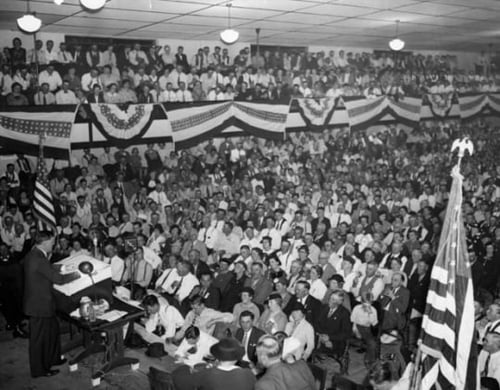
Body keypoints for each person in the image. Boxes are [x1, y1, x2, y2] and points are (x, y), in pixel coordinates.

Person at [23, 231, 80, 378]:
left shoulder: (35, 253)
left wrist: (62, 268)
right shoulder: (39, 258)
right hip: (39, 305)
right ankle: (39, 370)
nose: (53, 245)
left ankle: (53, 358)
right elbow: (58, 280)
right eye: (52, 242)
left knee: (52, 331)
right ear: (44, 242)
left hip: (42, 302)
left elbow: (45, 269)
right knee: (39, 339)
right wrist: (76, 274)